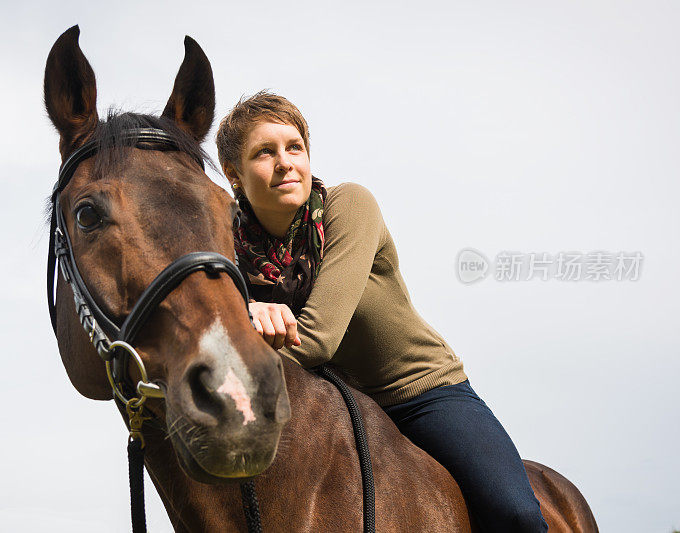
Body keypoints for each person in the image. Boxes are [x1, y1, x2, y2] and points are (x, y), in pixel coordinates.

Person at [215, 91, 548, 532]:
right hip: (329, 406)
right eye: (264, 152)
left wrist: (237, 347)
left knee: (516, 515)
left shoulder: (348, 206)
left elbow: (317, 339)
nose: (285, 162)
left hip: (419, 393)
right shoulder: (226, 245)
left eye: (294, 147)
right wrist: (249, 308)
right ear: (233, 175)